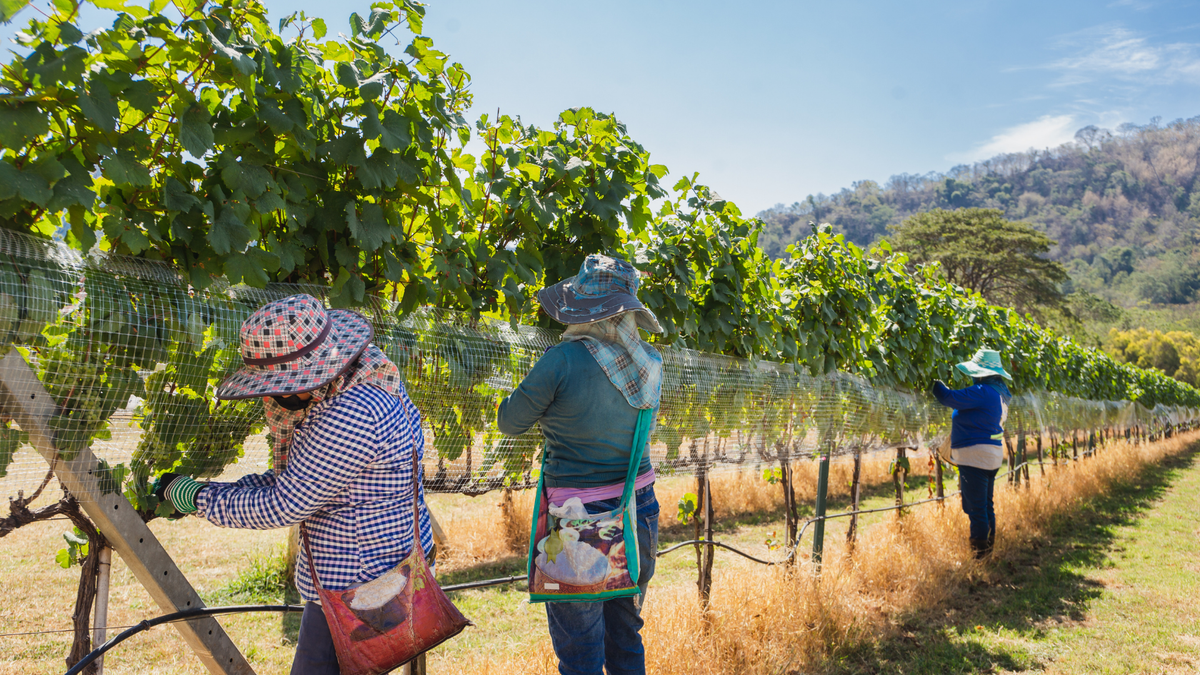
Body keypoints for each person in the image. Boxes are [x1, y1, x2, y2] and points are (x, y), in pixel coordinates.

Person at [154, 294, 433, 675]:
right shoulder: (366, 377)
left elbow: (284, 504)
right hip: (382, 570)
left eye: (278, 384)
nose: (273, 394)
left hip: (358, 588)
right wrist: (211, 491)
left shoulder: (350, 415)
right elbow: (302, 477)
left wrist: (196, 498)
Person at [497, 254, 662, 675]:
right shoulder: (650, 364)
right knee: (626, 637)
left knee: (581, 652)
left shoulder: (563, 360)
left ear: (582, 309)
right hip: (636, 512)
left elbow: (510, 422)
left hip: (576, 525)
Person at [931, 348, 1013, 559]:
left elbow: (948, 397)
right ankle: (988, 551)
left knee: (976, 508)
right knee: (985, 504)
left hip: (976, 457)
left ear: (983, 373)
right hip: (990, 456)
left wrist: (934, 384)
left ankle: (980, 556)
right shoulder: (1000, 393)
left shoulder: (983, 391)